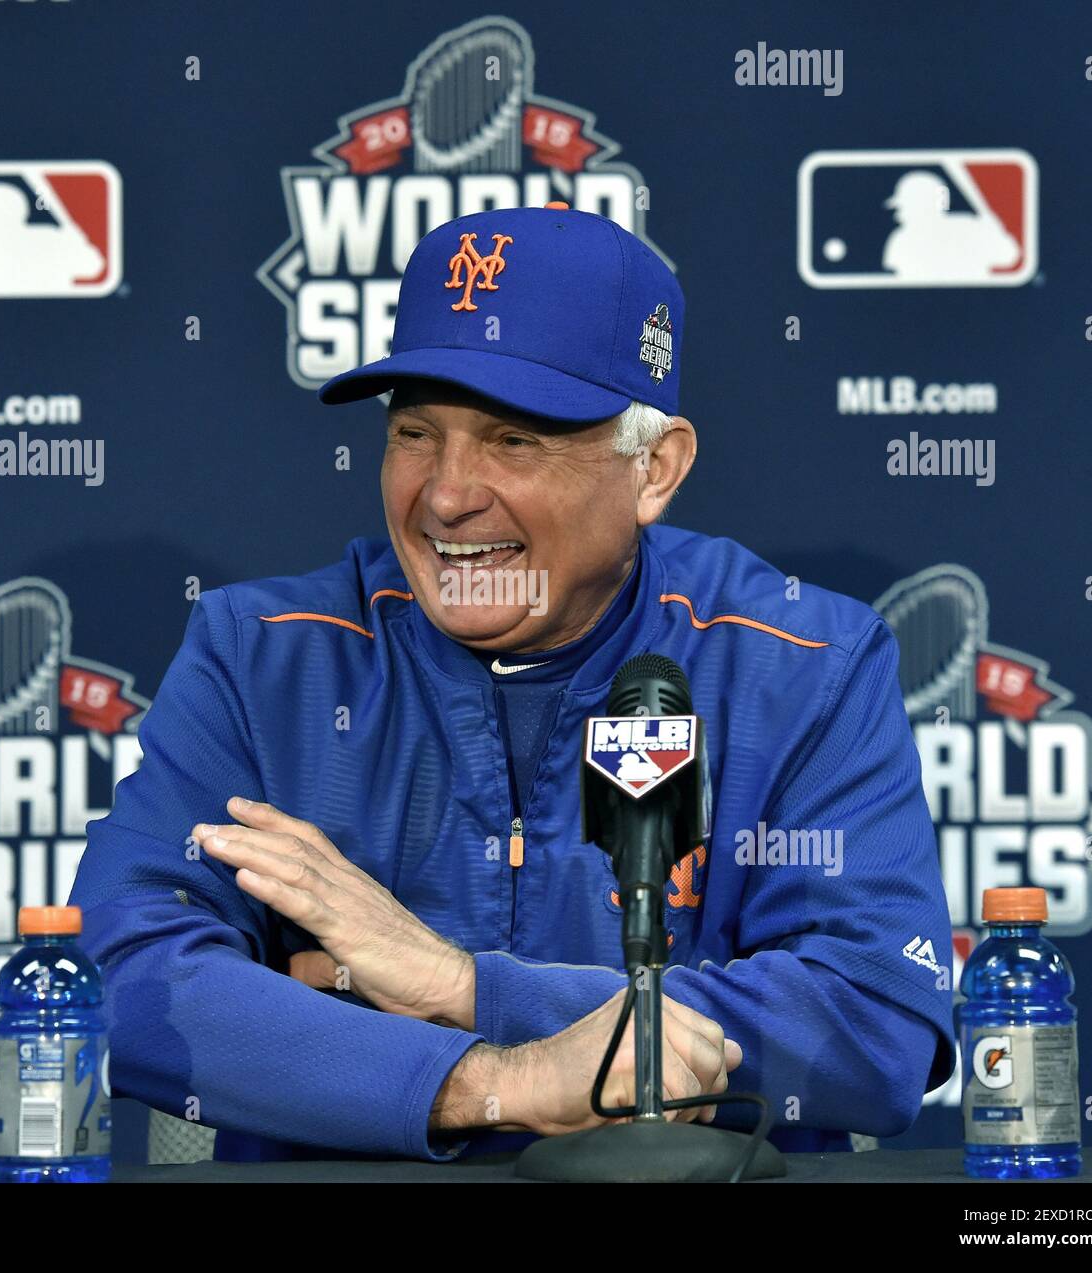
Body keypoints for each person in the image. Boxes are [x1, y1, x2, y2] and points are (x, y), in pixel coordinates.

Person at [69, 204, 954, 1162]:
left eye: (512, 441)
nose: (447, 493)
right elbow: (120, 976)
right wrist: (496, 1081)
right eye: (415, 432)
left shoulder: (802, 662)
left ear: (655, 468)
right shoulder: (266, 656)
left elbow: (874, 1022)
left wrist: (460, 987)